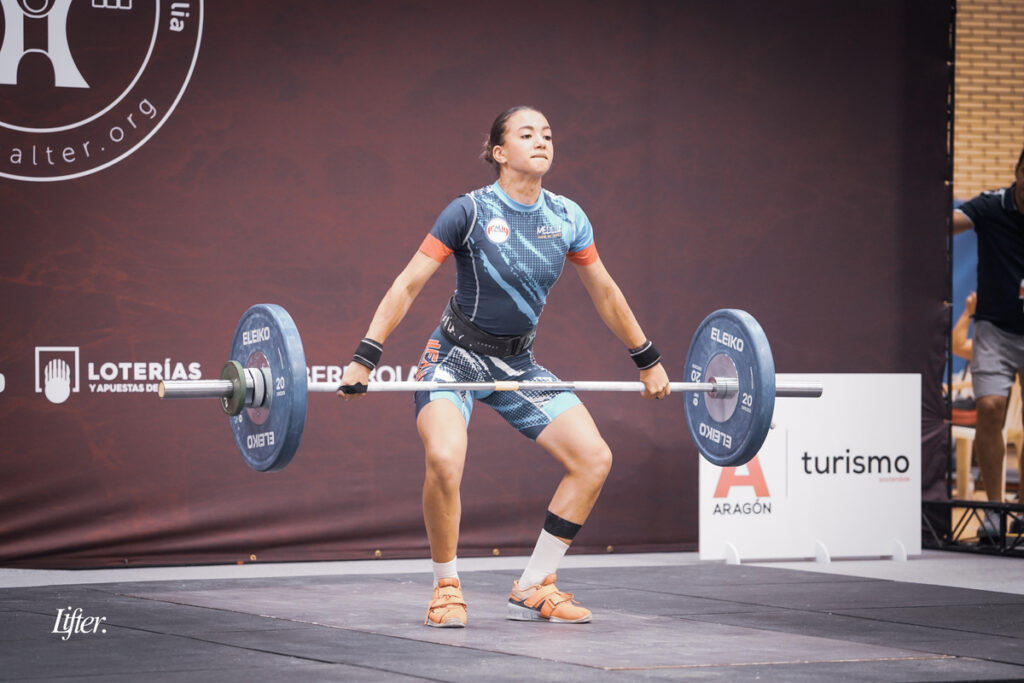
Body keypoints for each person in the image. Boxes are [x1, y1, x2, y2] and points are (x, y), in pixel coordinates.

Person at [338, 106, 670, 627]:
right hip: (453, 360)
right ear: (499, 152)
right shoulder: (468, 211)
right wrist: (366, 355)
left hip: (517, 364)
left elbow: (605, 292)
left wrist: (646, 358)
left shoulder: (567, 217)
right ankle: (446, 587)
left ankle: (535, 584)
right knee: (444, 459)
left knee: (593, 458)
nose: (541, 142)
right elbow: (408, 283)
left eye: (548, 135)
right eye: (527, 134)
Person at [953, 148, 1024, 536]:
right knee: (990, 407)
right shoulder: (991, 205)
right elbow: (951, 222)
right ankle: (995, 510)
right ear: (1018, 172)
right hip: (994, 329)